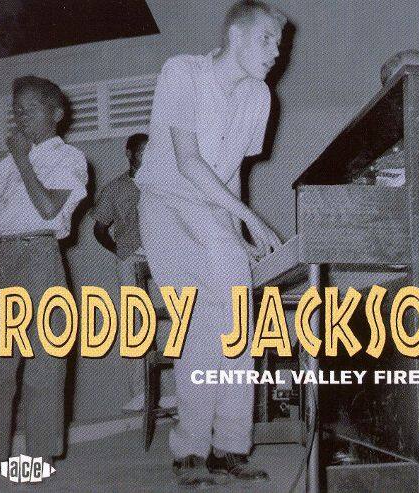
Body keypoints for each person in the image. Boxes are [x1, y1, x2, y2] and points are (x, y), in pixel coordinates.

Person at [135, 0, 286, 487]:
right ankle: (190, 450)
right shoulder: (182, 72)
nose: (277, 52)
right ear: (236, 36)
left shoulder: (259, 96)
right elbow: (187, 162)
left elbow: (232, 170)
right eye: (267, 39)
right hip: (166, 202)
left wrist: (234, 233)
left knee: (239, 318)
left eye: (279, 43)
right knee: (200, 320)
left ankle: (230, 447)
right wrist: (250, 219)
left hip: (214, 208)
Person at [0, 76, 88, 468]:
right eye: (16, 108)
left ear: (56, 113)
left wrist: (23, 159)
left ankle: (39, 456)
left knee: (43, 364)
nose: (20, 114)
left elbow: (47, 209)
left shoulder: (69, 158)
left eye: (30, 107)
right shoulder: (3, 166)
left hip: (37, 256)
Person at [93, 133, 158, 412]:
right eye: (142, 152)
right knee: (134, 322)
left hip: (162, 257)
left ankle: (180, 391)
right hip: (130, 259)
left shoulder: (161, 183)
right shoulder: (114, 189)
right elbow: (99, 229)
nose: (148, 157)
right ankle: (140, 393)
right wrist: (120, 250)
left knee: (175, 313)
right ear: (130, 154)